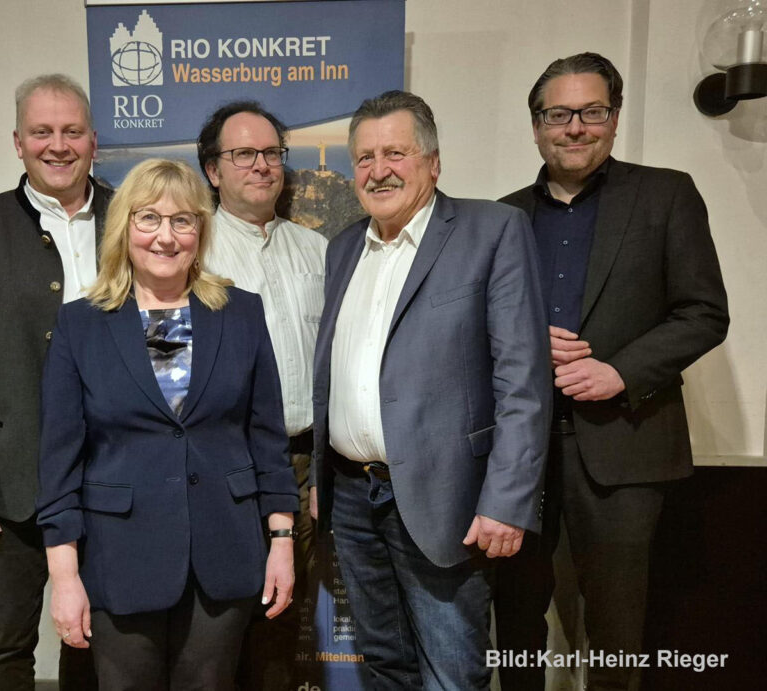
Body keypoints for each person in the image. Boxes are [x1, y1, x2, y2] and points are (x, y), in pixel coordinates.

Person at [495, 52, 729, 691]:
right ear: (536, 126)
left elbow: (704, 313)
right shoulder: (502, 216)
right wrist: (521, 342)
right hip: (518, 453)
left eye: (591, 112)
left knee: (617, 630)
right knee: (514, 620)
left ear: (615, 118)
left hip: (626, 445)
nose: (575, 127)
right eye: (558, 115)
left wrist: (619, 373)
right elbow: (474, 328)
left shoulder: (666, 194)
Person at [309, 90, 550, 690]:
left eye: (396, 153)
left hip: (447, 499)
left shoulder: (492, 230)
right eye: (364, 158)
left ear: (433, 162)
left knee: (451, 673)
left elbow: (522, 380)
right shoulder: (343, 248)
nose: (378, 170)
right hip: (352, 495)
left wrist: (507, 501)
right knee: (384, 665)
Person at [36, 158, 299, 691]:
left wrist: (282, 541)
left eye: (183, 220)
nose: (166, 236)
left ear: (200, 231)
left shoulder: (241, 314)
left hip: (223, 554)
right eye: (149, 218)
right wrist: (63, 578)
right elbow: (59, 462)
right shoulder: (80, 324)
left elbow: (267, 440)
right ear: (124, 227)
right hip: (119, 557)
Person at [0, 74, 111, 689]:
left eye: (72, 131)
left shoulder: (132, 218)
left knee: (99, 639)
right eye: (42, 132)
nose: (58, 145)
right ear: (17, 142)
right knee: (5, 644)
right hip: (13, 481)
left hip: (114, 475)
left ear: (93, 141)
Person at [196, 100, 327, 690]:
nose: (261, 165)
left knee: (282, 620)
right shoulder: (192, 254)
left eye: (272, 152)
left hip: (303, 465)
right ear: (212, 170)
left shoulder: (318, 251)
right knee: (219, 623)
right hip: (222, 465)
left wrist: (322, 467)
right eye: (243, 153)